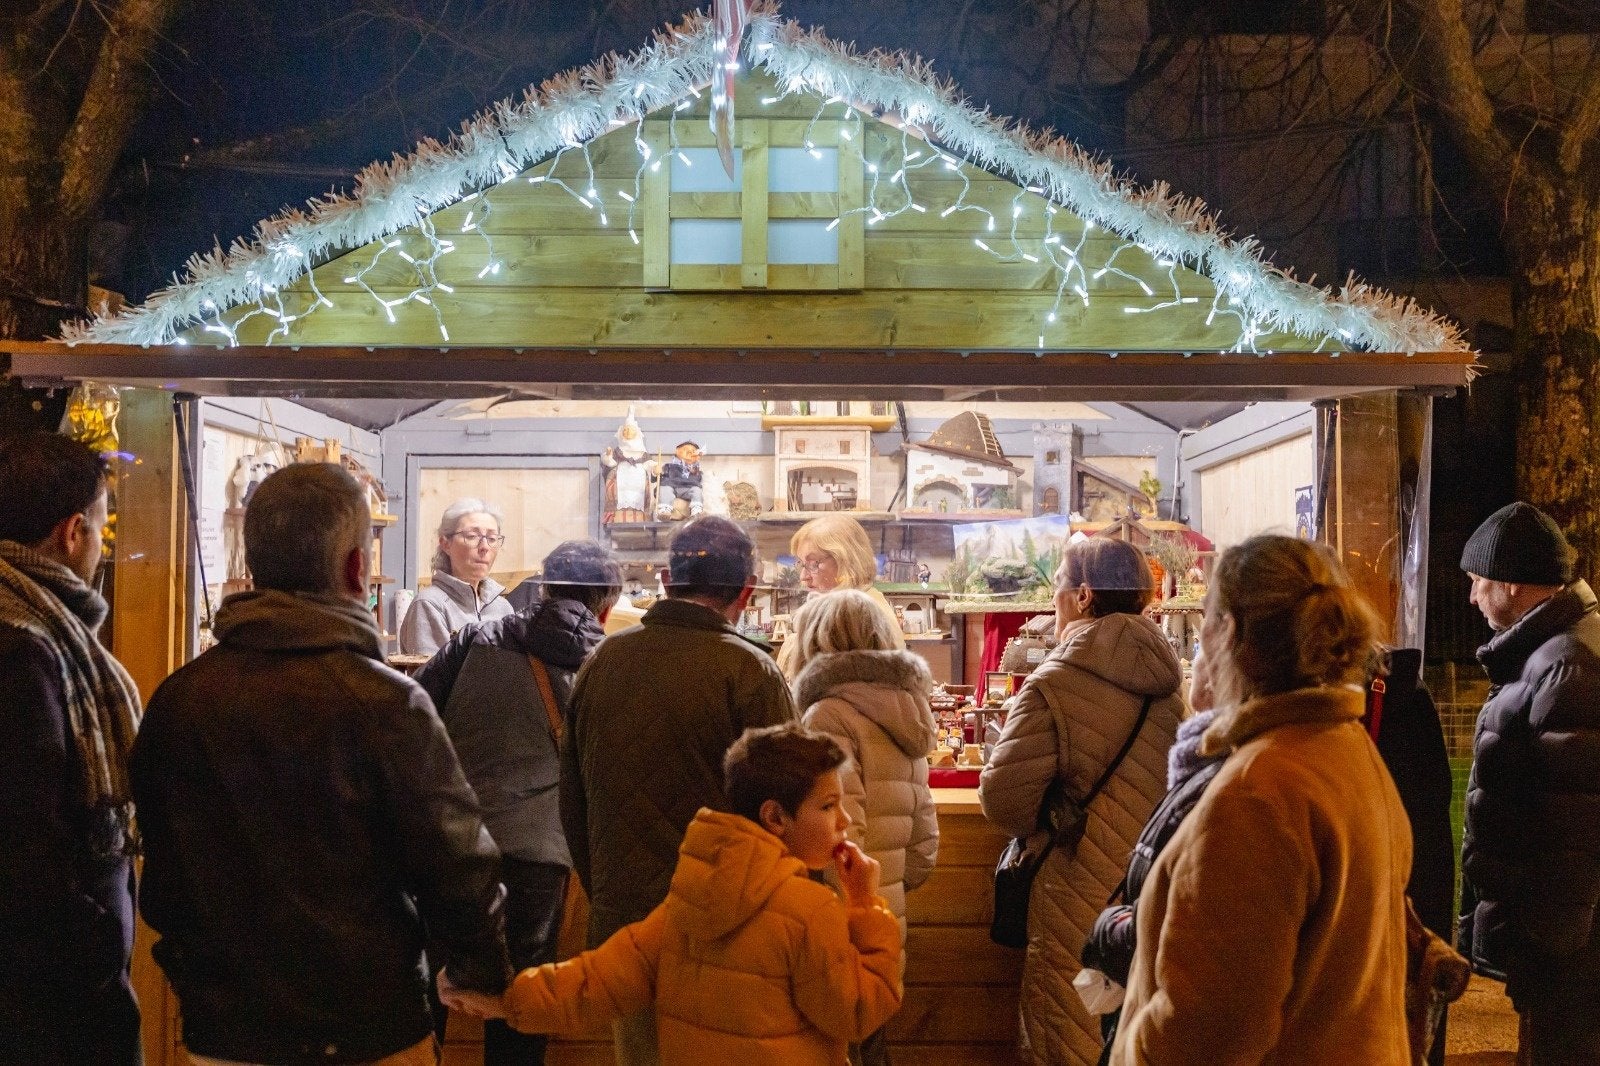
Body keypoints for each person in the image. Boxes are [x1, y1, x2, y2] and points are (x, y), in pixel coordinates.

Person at [130, 463, 512, 1066]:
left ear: (253, 566)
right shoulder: (387, 703)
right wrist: (478, 971)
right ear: (358, 569)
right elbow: (456, 863)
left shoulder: (180, 699)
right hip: (370, 1027)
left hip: (224, 1031)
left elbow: (164, 875)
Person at [1110, 534, 1412, 1065]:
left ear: (1228, 632)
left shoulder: (1257, 793)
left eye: (1206, 619)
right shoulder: (1345, 749)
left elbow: (1203, 1035)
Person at [443, 722, 904, 1066]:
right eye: (827, 806)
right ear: (775, 817)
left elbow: (598, 980)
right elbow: (858, 1012)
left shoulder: (692, 896)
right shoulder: (811, 909)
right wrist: (866, 905)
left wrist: (507, 1000)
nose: (843, 820)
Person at [560, 515, 797, 1066]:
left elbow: (572, 802)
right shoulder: (750, 671)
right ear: (746, 592)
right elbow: (787, 813)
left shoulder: (604, 661)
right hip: (728, 933)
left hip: (626, 927)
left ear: (666, 580)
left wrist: (610, 898)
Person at [414, 540, 621, 1065]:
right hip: (541, 848)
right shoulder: (605, 664)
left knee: (430, 981)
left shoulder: (476, 638)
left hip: (457, 841)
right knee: (523, 995)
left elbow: (414, 714)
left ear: (544, 589)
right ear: (607, 605)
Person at [979, 536, 1184, 1065]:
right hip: (1150, 893)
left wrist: (1047, 804)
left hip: (1075, 891)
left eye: (1058, 589)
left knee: (1065, 1040)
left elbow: (1002, 801)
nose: (1054, 601)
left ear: (1085, 596)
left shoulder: (1057, 682)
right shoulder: (1173, 683)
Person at [0, 433, 143, 1065]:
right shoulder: (25, 644)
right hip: (46, 988)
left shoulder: (31, 627)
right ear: (71, 533)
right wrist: (92, 941)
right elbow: (26, 831)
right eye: (103, 528)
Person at [1457, 501, 1600, 1064]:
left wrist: (1547, 948)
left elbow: (1574, 828)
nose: (1471, 597)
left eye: (1477, 581)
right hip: (1562, 944)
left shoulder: (1567, 664)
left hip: (1567, 951)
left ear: (1513, 584)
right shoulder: (1553, 653)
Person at [789, 589, 939, 1066]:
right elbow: (922, 849)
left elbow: (830, 835)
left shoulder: (827, 715)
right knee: (870, 1039)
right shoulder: (910, 711)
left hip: (838, 913)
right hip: (885, 915)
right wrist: (885, 890)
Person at [1080, 653, 1226, 1064]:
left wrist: (1109, 928)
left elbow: (1189, 937)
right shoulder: (1208, 752)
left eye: (1211, 621)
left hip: (1169, 1031)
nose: (1198, 654)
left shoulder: (1237, 782)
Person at [780, 513, 904, 679]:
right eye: (801, 564)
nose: (803, 577)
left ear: (846, 560)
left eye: (813, 564)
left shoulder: (856, 613)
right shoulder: (865, 600)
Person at [400, 497, 514, 655]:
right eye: (472, 536)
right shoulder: (430, 605)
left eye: (492, 538)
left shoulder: (503, 607)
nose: (484, 547)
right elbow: (430, 677)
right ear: (446, 544)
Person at [654, 440, 704, 520]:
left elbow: (699, 480)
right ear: (677, 451)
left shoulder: (695, 469)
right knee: (664, 489)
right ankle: (664, 510)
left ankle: (696, 511)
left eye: (693, 451)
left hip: (688, 489)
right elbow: (656, 478)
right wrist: (656, 472)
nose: (689, 452)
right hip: (671, 486)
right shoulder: (669, 466)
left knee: (697, 490)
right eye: (685, 450)